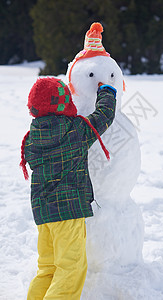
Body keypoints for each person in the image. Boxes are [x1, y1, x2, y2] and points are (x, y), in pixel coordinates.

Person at [20, 77, 116, 300]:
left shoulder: (32, 137)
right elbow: (104, 117)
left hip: (43, 215)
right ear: (64, 105)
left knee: (48, 269)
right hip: (67, 212)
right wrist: (107, 92)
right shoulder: (76, 131)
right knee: (70, 269)